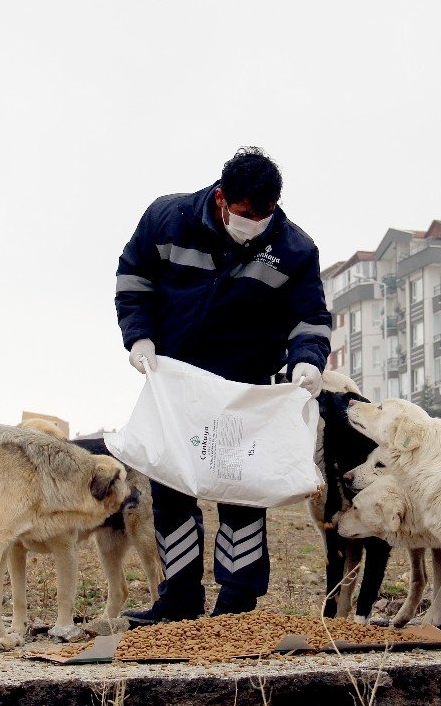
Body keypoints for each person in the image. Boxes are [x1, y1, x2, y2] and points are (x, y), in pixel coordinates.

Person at [115, 147, 332, 625]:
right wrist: (139, 336)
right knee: (171, 488)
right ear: (222, 197)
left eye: (265, 212)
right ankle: (178, 601)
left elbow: (310, 318)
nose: (255, 220)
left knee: (241, 492)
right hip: (176, 382)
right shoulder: (168, 219)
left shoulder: (294, 249)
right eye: (246, 212)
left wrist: (307, 362)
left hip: (244, 387)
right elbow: (133, 277)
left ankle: (236, 605)